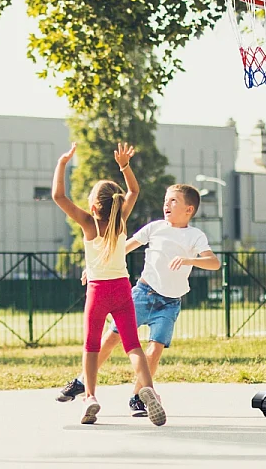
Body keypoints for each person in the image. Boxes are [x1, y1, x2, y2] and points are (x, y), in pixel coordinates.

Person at [56, 183, 220, 416]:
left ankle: (139, 396)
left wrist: (188, 260)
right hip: (143, 293)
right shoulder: (155, 228)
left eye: (173, 200)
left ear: (189, 210)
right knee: (112, 339)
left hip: (170, 302)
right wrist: (96, 265)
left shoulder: (195, 236)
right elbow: (121, 246)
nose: (166, 204)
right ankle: (82, 380)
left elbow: (214, 263)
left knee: (154, 350)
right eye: (165, 199)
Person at [52, 142, 166, 426]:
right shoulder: (120, 222)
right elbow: (134, 191)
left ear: (93, 206)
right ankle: (147, 389)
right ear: (115, 203)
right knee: (133, 346)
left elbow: (58, 195)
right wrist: (125, 166)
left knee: (91, 346)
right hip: (122, 290)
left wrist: (63, 163)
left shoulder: (89, 223)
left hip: (98, 292)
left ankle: (90, 397)